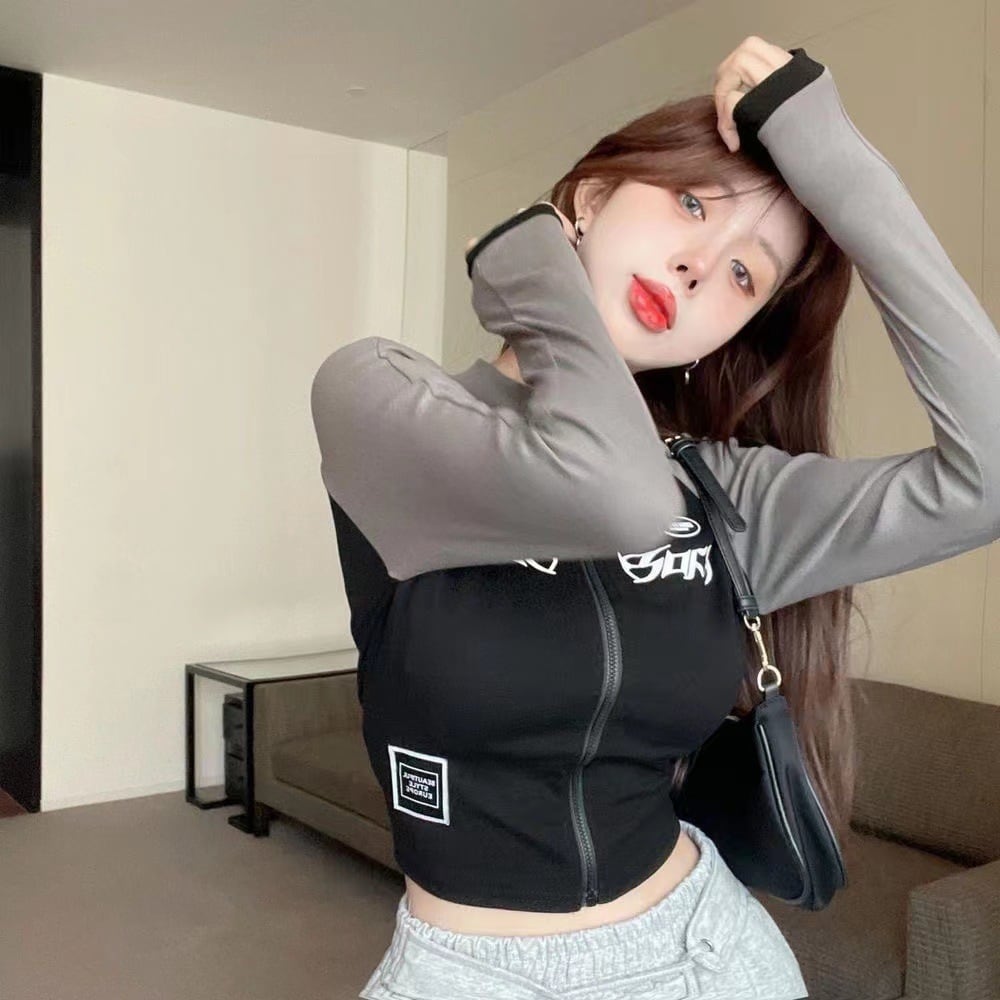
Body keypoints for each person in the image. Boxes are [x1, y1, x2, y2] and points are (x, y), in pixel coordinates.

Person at [310, 36, 1000, 1000]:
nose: (698, 265)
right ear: (591, 198)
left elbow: (986, 477)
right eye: (691, 204)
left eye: (747, 275)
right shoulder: (382, 400)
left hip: (709, 956)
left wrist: (828, 154)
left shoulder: (724, 494)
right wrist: (533, 263)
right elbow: (612, 494)